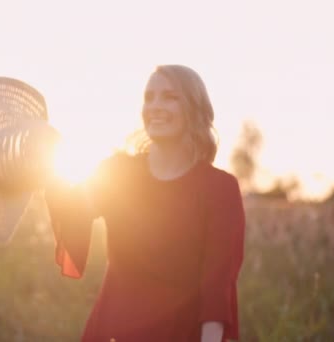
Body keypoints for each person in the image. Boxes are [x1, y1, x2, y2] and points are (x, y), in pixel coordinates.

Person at [45, 65, 245, 342]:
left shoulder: (220, 189)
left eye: (170, 97)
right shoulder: (119, 173)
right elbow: (71, 211)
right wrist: (32, 162)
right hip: (110, 332)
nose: (156, 106)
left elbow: (217, 289)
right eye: (149, 97)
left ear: (194, 108)